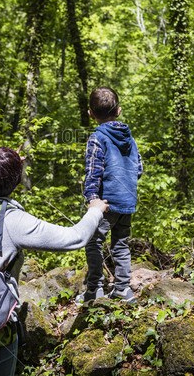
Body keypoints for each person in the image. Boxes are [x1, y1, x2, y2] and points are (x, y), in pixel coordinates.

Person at [0, 146, 109, 376]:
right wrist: (95, 211)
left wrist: (3, 170)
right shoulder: (13, 220)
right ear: (16, 184)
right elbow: (75, 237)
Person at [77, 86, 143, 305]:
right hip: (127, 202)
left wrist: (91, 199)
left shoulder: (98, 138)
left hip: (105, 203)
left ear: (90, 113)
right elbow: (139, 169)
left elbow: (93, 171)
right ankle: (123, 290)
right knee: (121, 244)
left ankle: (94, 290)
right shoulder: (130, 139)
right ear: (119, 111)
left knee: (93, 242)